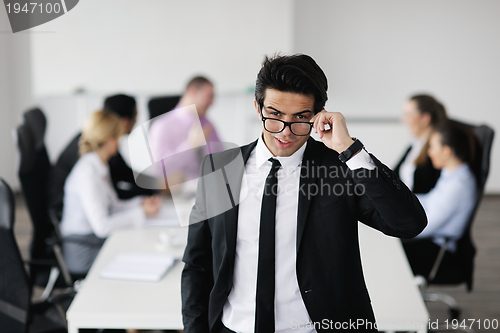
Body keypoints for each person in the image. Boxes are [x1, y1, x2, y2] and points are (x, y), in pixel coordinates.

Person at [181, 54, 427, 333]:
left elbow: (408, 224)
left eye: (300, 118)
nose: (285, 132)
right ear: (257, 107)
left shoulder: (341, 169)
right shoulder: (219, 169)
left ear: (318, 115)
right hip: (232, 328)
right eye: (274, 116)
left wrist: (350, 150)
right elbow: (196, 264)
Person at [59, 110, 161, 276]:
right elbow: (102, 227)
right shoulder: (88, 174)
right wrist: (140, 212)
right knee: (140, 256)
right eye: (118, 137)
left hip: (95, 240)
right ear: (109, 139)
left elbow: (113, 205)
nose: (119, 143)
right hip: (84, 249)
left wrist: (140, 203)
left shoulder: (100, 165)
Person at [47, 94, 154, 220]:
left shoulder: (97, 145)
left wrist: (149, 192)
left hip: (90, 216)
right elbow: (114, 196)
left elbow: (124, 176)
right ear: (123, 122)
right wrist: (147, 200)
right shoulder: (89, 162)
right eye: (135, 116)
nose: (136, 122)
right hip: (70, 216)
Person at [403, 121, 477, 278]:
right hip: (430, 238)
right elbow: (429, 201)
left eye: (432, 147)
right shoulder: (451, 174)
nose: (429, 152)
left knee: (389, 250)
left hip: (437, 249)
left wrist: (394, 224)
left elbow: (425, 226)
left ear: (446, 151)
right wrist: (400, 201)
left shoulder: (458, 185)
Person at [148, 76, 221, 188]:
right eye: (209, 97)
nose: (212, 102)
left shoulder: (208, 125)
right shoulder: (162, 126)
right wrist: (191, 145)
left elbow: (222, 158)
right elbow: (161, 170)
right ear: (192, 92)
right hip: (177, 197)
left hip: (210, 191)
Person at [394, 94, 448, 194]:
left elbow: (424, 191)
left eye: (408, 115)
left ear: (425, 118)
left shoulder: (434, 151)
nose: (403, 119)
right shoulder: (415, 143)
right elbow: (394, 174)